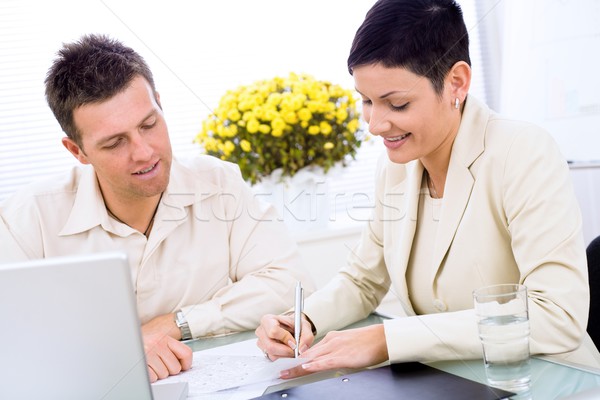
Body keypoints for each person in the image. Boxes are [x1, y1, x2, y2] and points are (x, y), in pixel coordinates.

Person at [256, 0, 599, 378]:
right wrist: (303, 319)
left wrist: (389, 338)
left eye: (397, 104)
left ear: (456, 82)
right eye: (367, 101)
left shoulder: (522, 152)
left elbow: (557, 315)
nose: (375, 124)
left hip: (545, 379)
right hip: (452, 381)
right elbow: (363, 279)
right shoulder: (396, 166)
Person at [0, 34, 314, 382]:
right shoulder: (27, 220)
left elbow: (290, 281)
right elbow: (13, 343)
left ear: (160, 105)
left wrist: (175, 324)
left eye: (149, 125)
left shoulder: (218, 183)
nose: (144, 152)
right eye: (115, 142)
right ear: (77, 151)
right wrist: (122, 349)